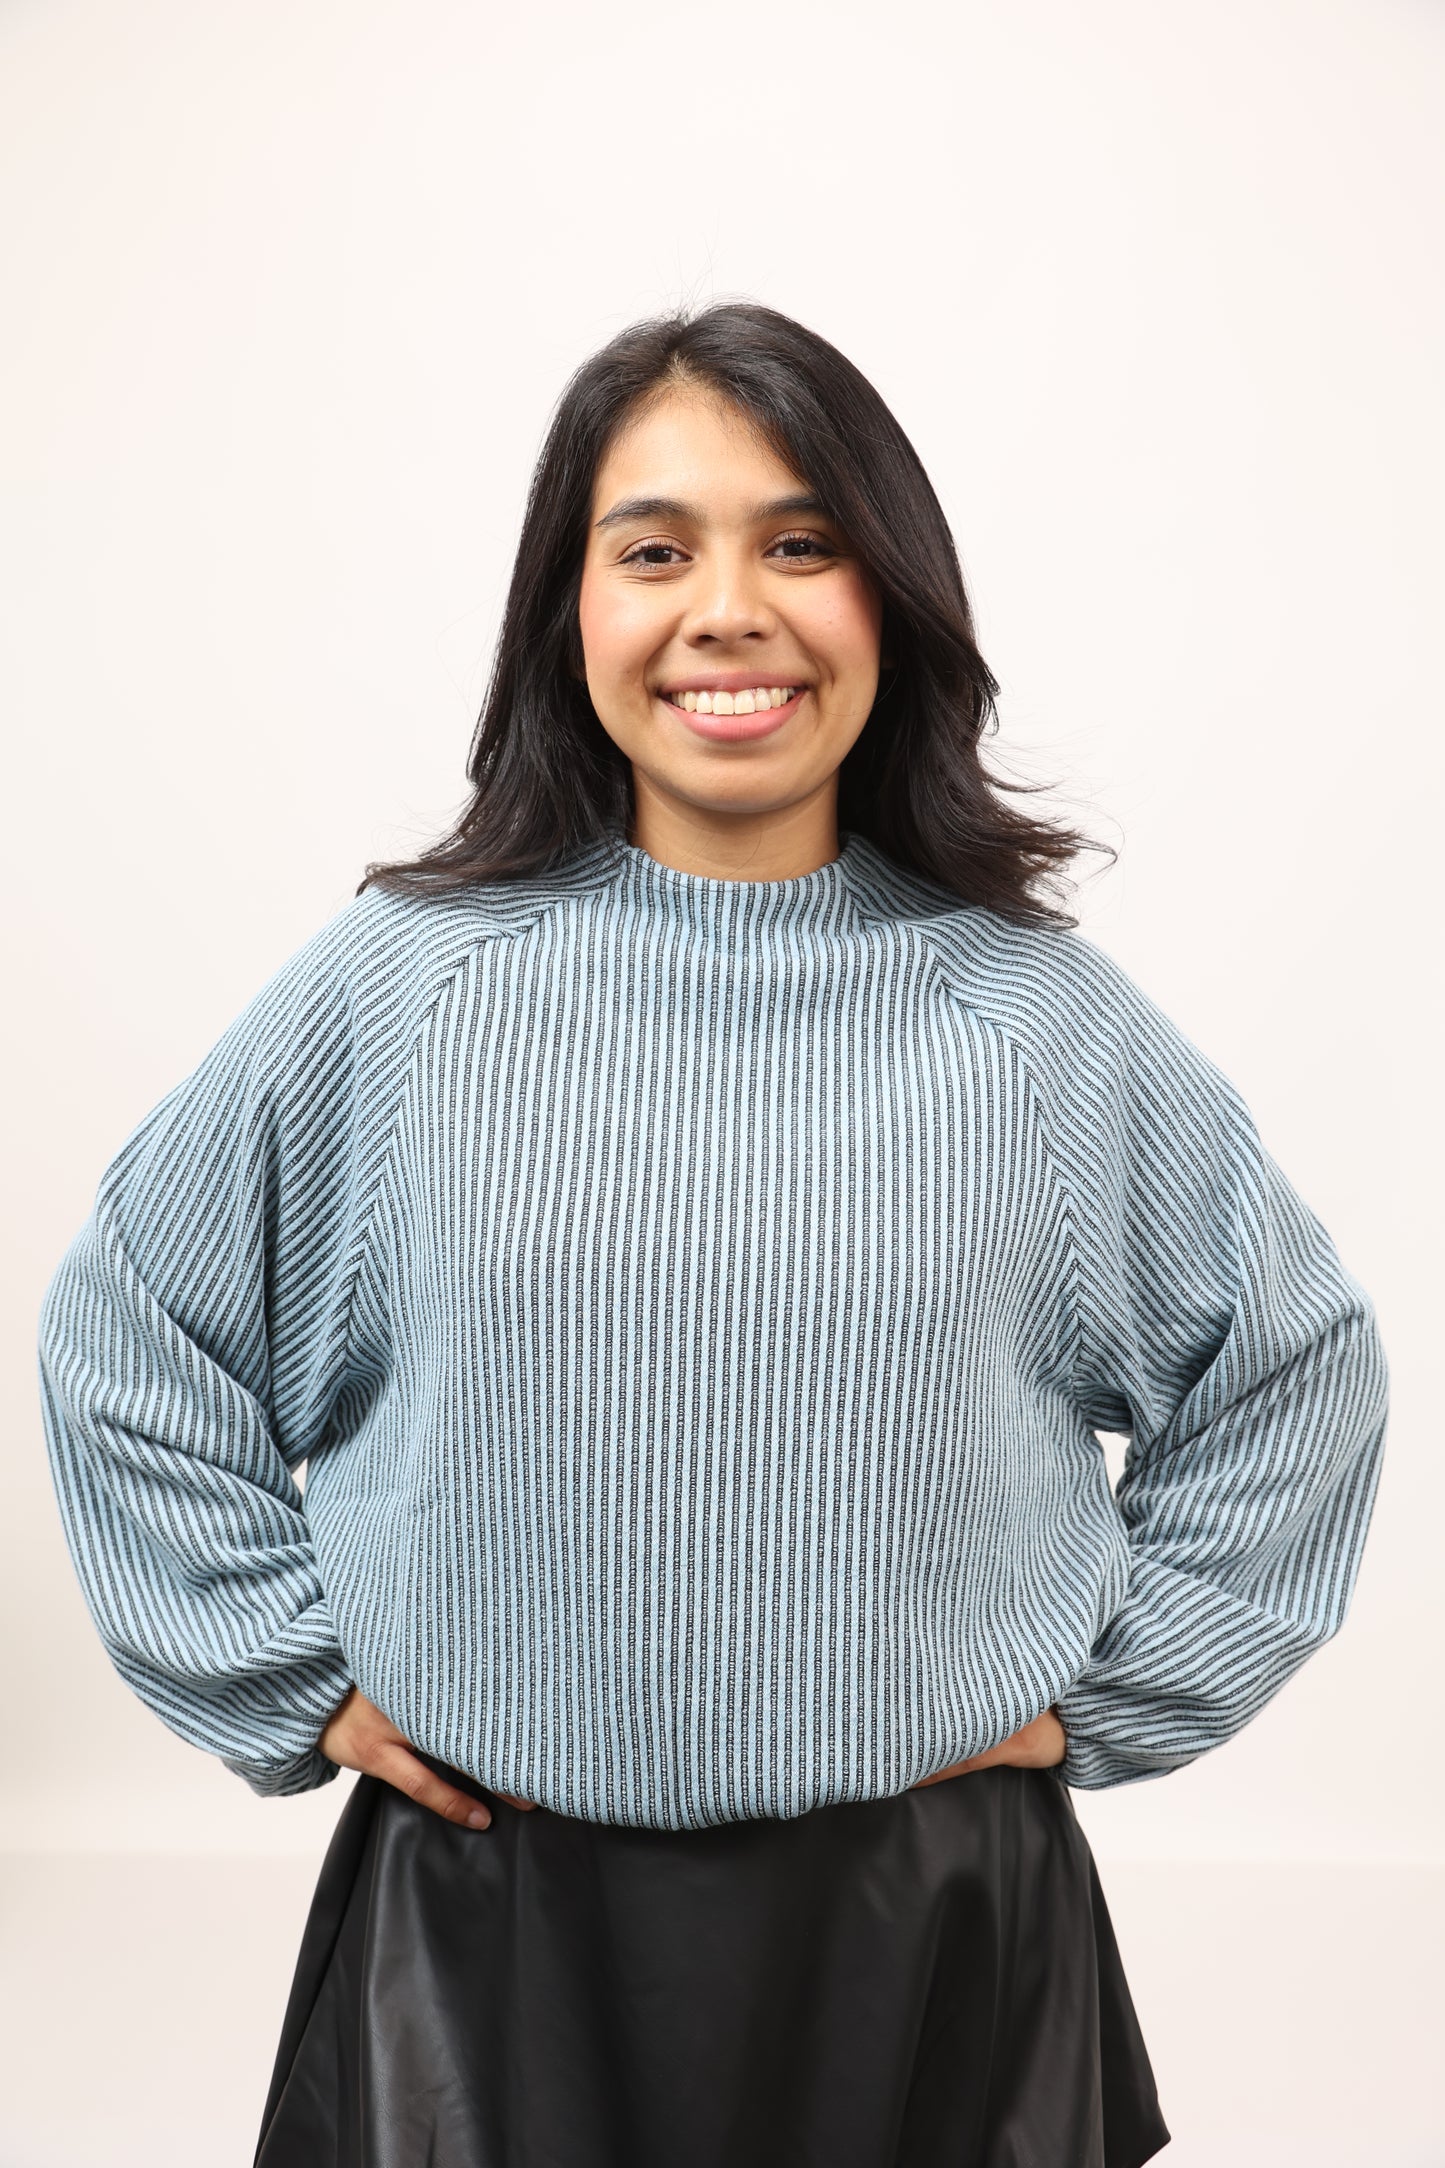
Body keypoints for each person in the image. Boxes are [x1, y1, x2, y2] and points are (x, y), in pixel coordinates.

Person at [36, 302, 1389, 2168]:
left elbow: (1291, 1370)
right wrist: (289, 1673)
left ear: (887, 601)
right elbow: (134, 1332)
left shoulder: (1035, 1026)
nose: (726, 609)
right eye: (653, 548)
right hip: (499, 1922)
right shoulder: (403, 996)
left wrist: (1110, 1683)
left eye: (801, 543)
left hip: (923, 1914)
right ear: (566, 614)